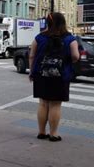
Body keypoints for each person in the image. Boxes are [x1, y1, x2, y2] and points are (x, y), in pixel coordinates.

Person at [28, 12, 79, 142]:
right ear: (63, 23)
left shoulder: (39, 38)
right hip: (60, 75)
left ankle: (41, 132)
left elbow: (32, 55)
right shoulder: (70, 39)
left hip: (41, 73)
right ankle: (54, 134)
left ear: (48, 23)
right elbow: (75, 56)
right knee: (55, 105)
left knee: (43, 103)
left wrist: (32, 71)